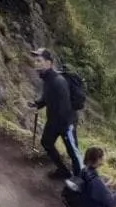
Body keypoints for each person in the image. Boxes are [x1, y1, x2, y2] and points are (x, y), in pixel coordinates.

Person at [29, 48, 82, 179]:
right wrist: (38, 103)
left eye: (39, 60)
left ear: (49, 63)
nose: (36, 63)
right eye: (35, 61)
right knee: (46, 143)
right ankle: (63, 171)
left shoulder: (58, 81)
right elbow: (48, 97)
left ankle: (81, 181)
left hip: (66, 123)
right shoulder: (47, 79)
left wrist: (64, 128)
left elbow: (64, 107)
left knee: (73, 152)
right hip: (54, 121)